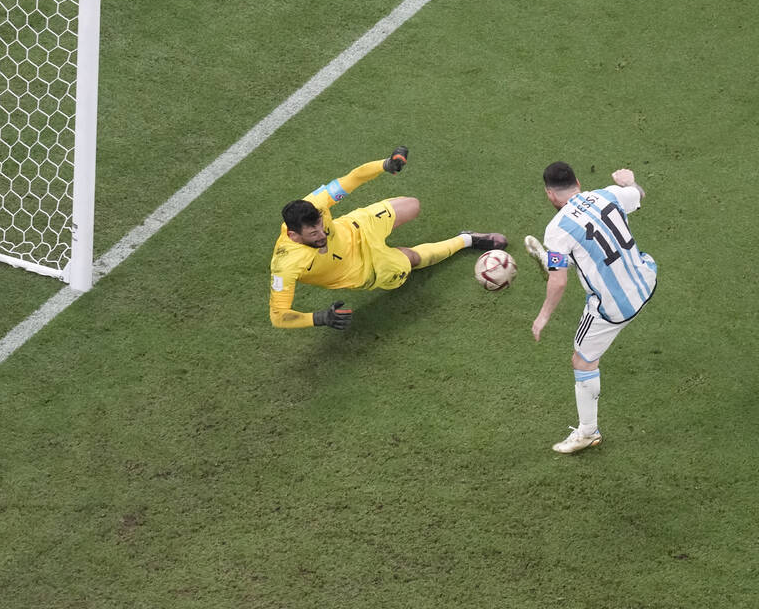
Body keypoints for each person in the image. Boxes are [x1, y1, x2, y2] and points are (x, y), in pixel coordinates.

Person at [269, 145, 507, 329]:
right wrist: (319, 318)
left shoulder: (315, 204)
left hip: (357, 228)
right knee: (411, 258)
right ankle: (467, 240)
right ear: (294, 235)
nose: (322, 234)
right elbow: (279, 316)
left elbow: (353, 178)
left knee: (412, 205)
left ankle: (443, 240)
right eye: (313, 234)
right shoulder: (286, 264)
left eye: (321, 226)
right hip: (362, 268)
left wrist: (386, 164)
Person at [524, 162, 656, 454]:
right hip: (647, 280)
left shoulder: (557, 229)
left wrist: (542, 317)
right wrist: (630, 181)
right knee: (583, 251)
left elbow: (558, 285)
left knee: (582, 361)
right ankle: (552, 260)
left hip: (615, 308)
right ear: (578, 182)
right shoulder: (607, 194)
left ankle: (588, 433)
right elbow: (638, 194)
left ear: (550, 194)